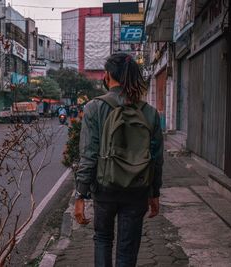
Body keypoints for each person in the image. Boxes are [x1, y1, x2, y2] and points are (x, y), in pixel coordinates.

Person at [74, 53, 163, 267]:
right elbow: (157, 158)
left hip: (105, 187)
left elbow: (88, 154)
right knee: (127, 248)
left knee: (103, 239)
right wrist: (154, 193)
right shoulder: (149, 112)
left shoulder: (94, 107)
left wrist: (80, 194)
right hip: (137, 188)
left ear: (107, 76)